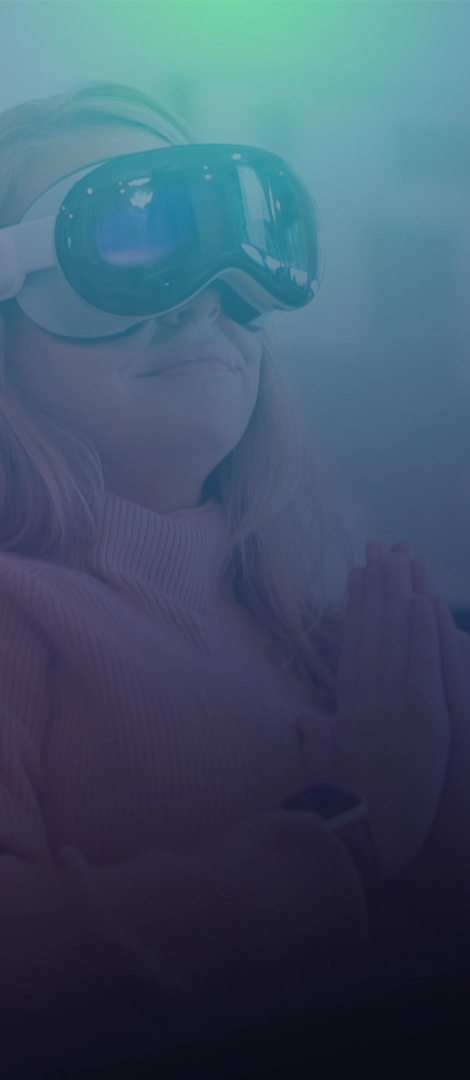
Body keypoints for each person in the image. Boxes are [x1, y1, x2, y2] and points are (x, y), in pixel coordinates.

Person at [0, 80, 468, 1069]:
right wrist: (351, 832)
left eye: (236, 245)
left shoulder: (353, 644)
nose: (206, 292)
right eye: (131, 239)